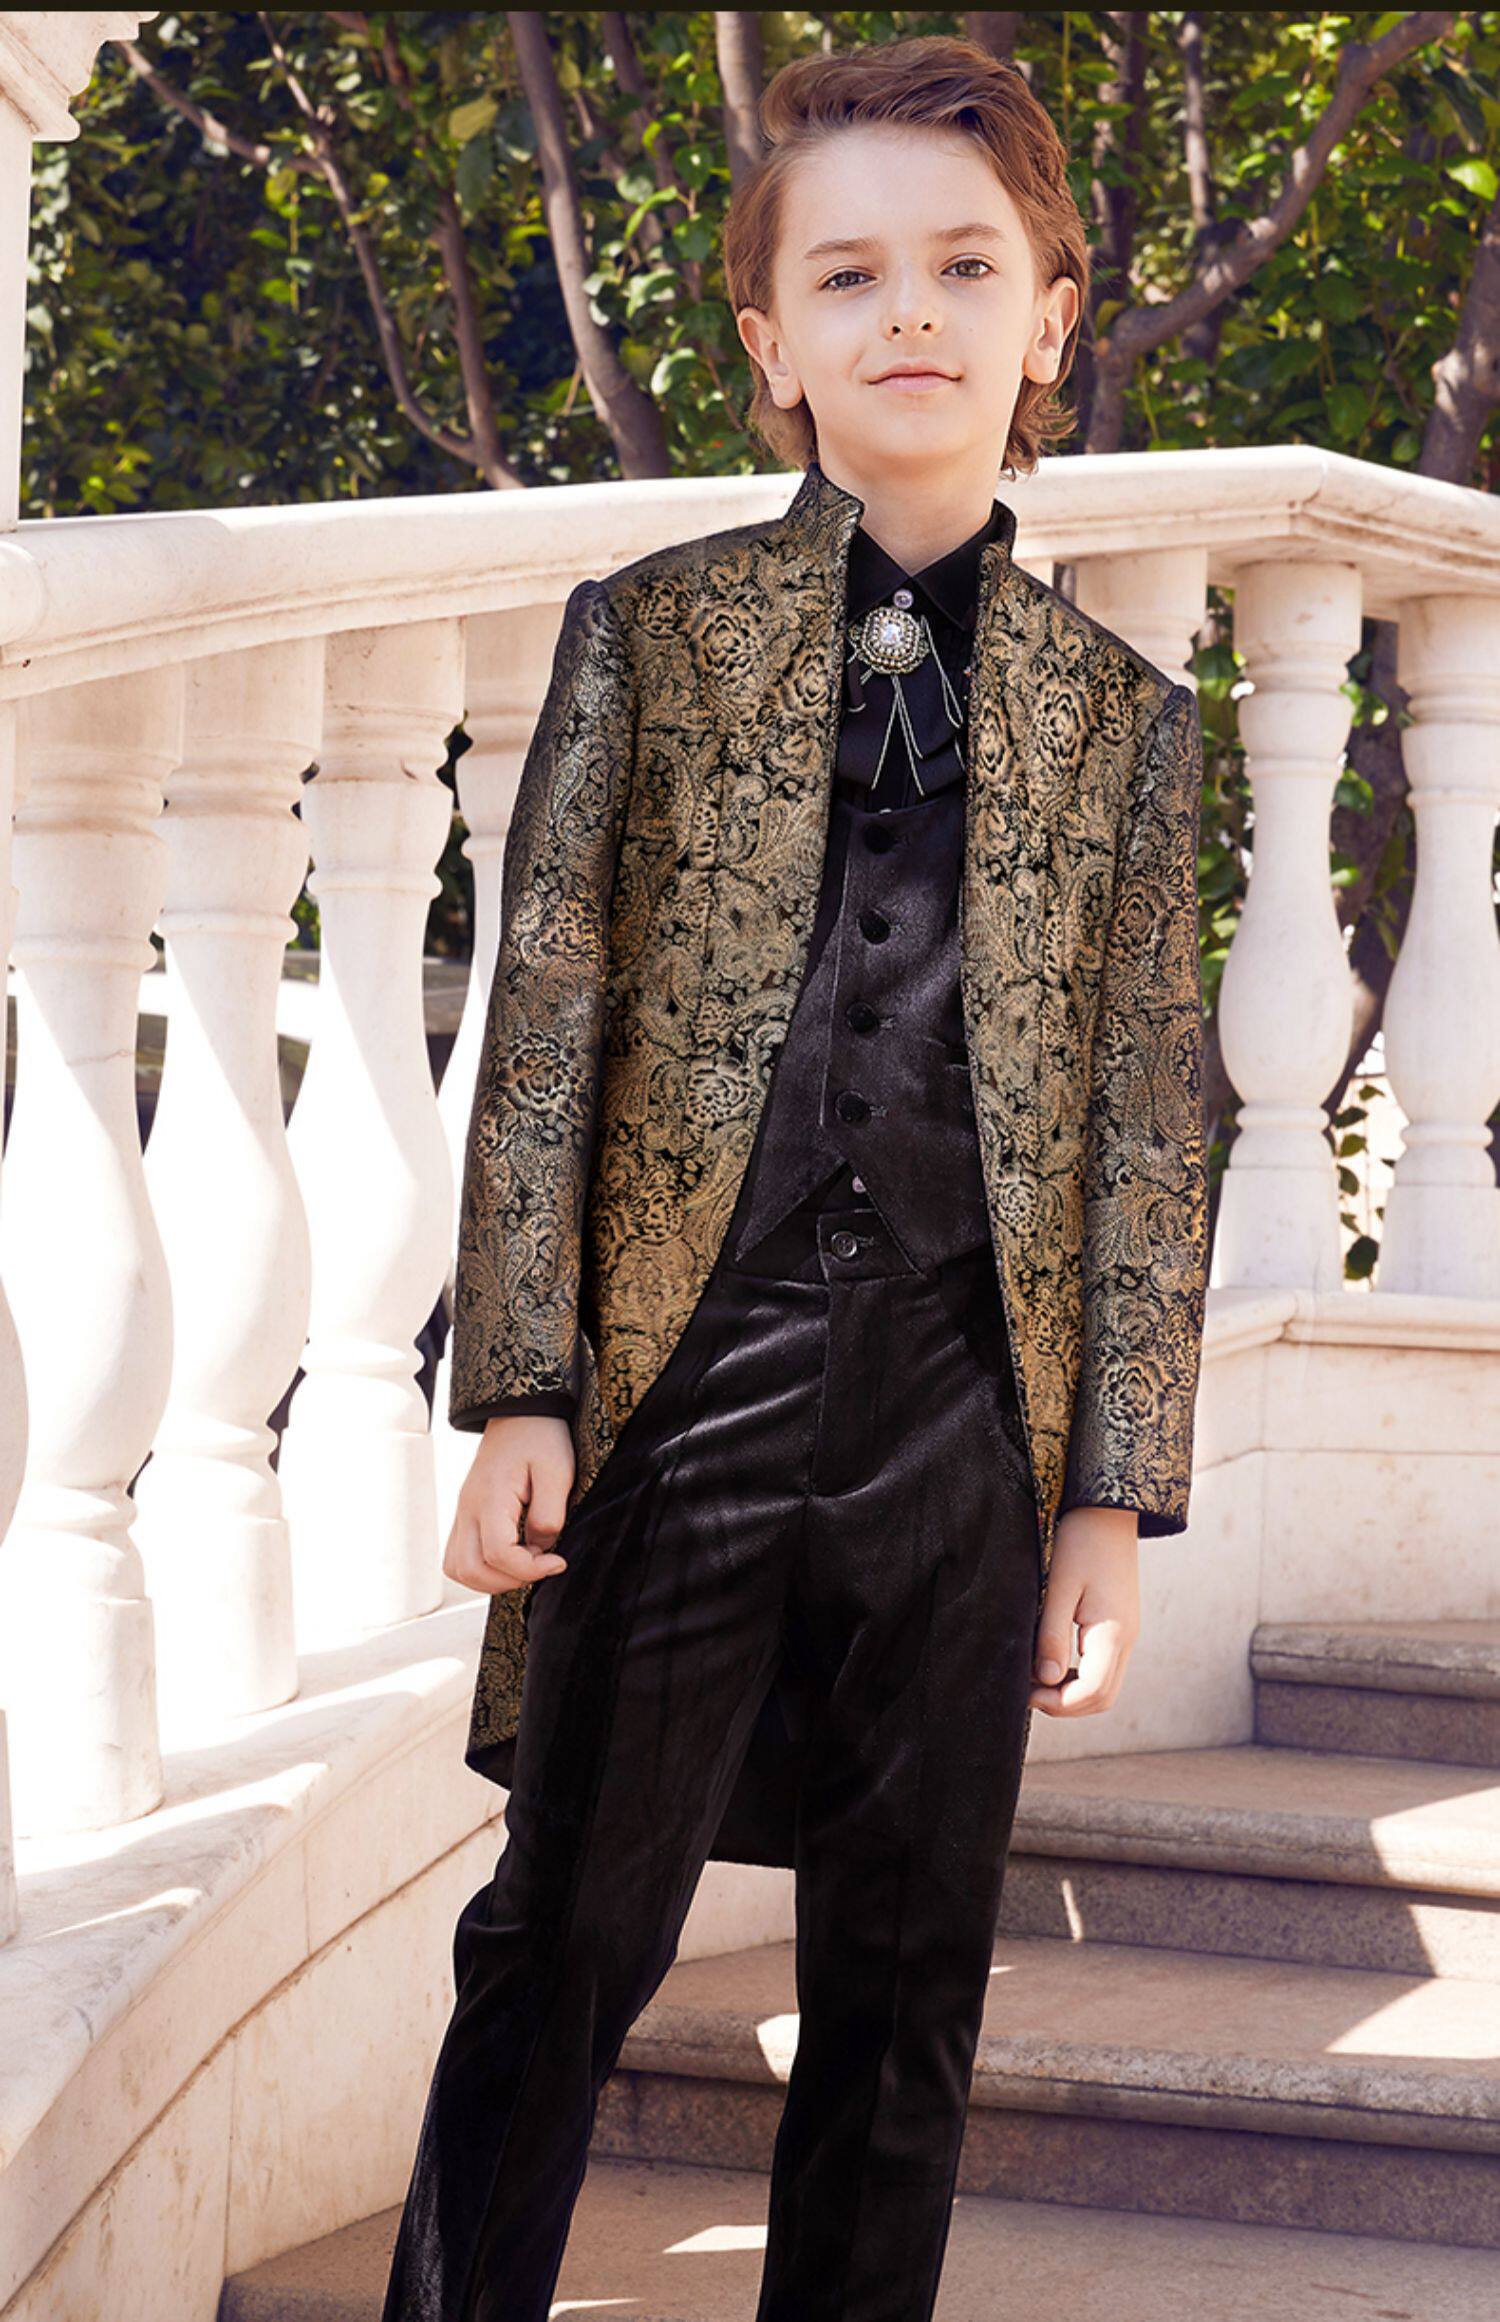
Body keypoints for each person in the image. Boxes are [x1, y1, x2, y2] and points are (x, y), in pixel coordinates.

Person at [382, 30, 1209, 2322]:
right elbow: (546, 1024)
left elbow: (1153, 1126)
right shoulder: (650, 639)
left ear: (1049, 317)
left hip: (967, 1415)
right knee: (565, 1927)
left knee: (909, 1980)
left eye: (965, 266)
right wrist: (522, 1385)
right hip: (691, 1385)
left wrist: (1109, 1498)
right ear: (771, 345)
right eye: (848, 275)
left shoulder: (1129, 725)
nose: (908, 310)